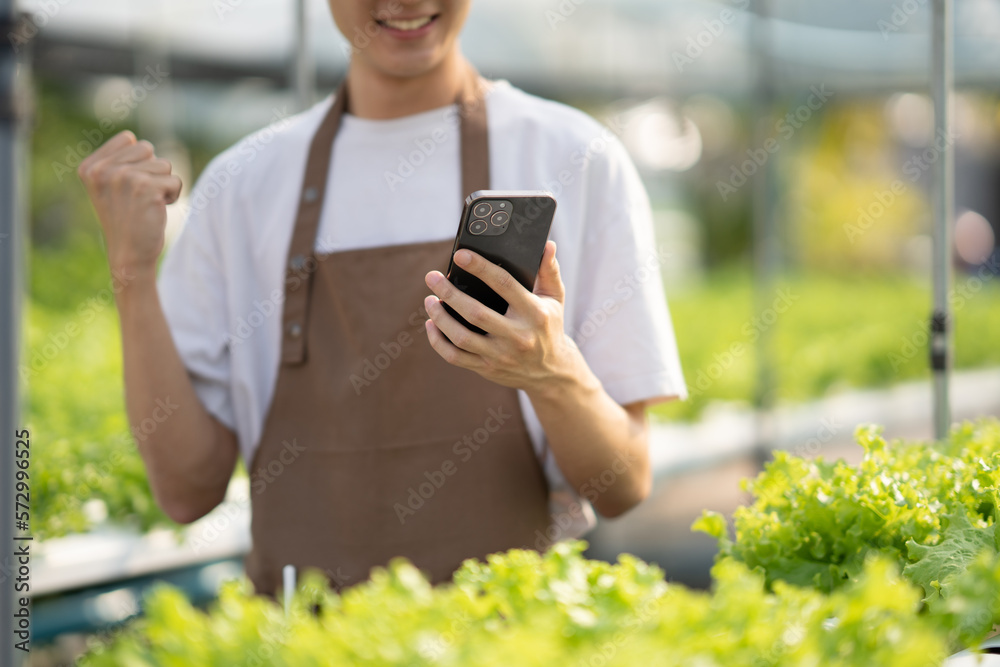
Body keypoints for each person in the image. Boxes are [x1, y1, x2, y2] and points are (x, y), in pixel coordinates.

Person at [77, 0, 687, 596]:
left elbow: (623, 483)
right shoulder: (244, 185)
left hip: (508, 641)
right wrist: (132, 275)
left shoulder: (575, 157)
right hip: (305, 645)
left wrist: (553, 373)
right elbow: (187, 492)